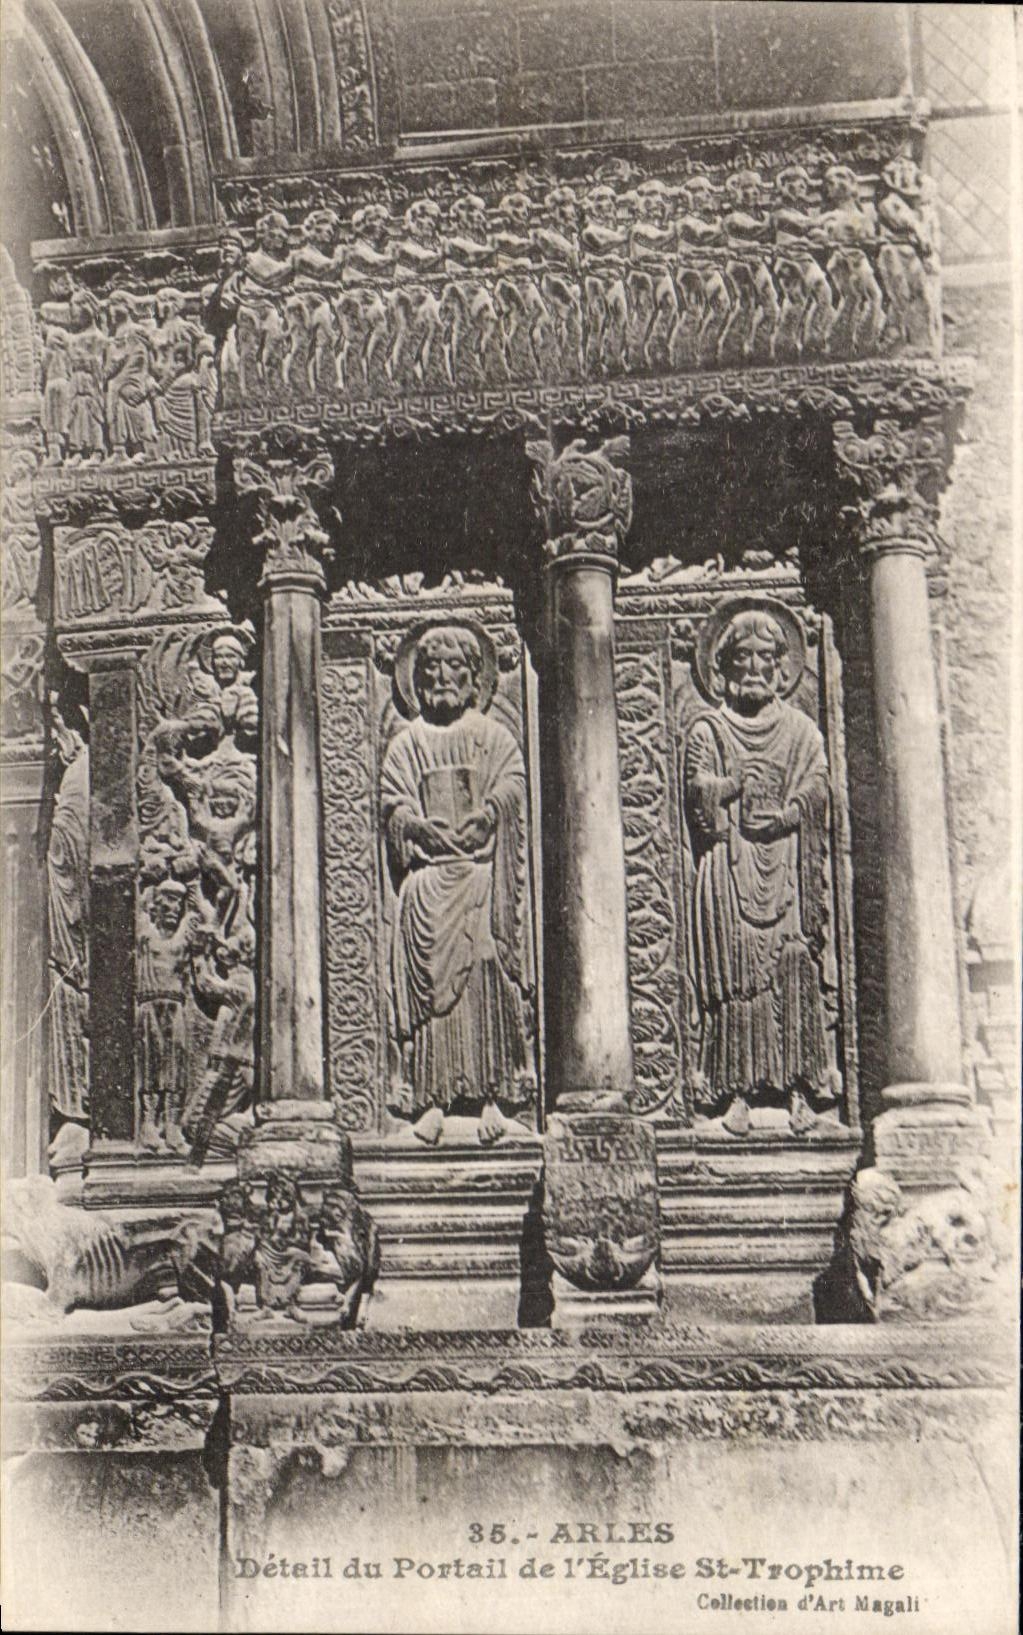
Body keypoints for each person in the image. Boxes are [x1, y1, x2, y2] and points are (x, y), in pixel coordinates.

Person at [682, 606, 840, 1135]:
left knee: (791, 970)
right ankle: (736, 1092)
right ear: (723, 667)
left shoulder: (801, 731)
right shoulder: (710, 728)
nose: (753, 667)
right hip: (730, 865)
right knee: (738, 977)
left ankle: (798, 1088)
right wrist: (730, 787)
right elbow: (697, 788)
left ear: (780, 666)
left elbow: (818, 787)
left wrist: (793, 813)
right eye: (741, 658)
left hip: (785, 864)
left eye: (764, 657)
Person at [380, 625, 535, 1145]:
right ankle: (433, 1099)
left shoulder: (493, 737)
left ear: (473, 680)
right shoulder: (408, 743)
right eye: (430, 670)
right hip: (427, 884)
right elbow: (393, 802)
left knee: (486, 968)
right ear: (418, 681)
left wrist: (491, 812)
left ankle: (492, 1094)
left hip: (478, 876)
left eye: (454, 669)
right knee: (428, 989)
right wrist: (416, 825)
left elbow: (513, 784)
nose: (441, 678)